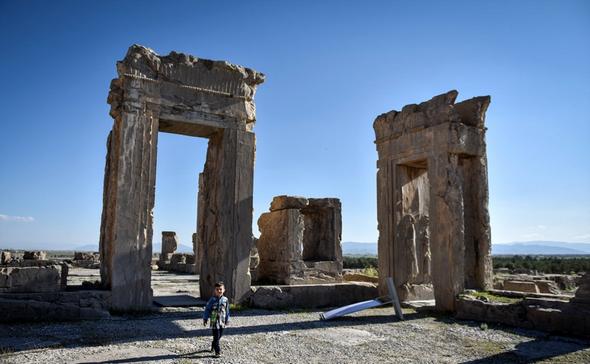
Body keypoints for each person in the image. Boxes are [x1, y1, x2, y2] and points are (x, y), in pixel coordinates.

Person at [203, 281, 230, 357]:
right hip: (214, 321)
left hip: (222, 321)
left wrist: (228, 319)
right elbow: (207, 309)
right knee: (216, 337)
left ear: (224, 290)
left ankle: (213, 344)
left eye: (220, 289)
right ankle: (217, 352)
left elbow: (227, 310)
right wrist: (205, 319)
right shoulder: (212, 300)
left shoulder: (225, 300)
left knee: (219, 336)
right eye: (217, 289)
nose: (219, 291)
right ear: (215, 290)